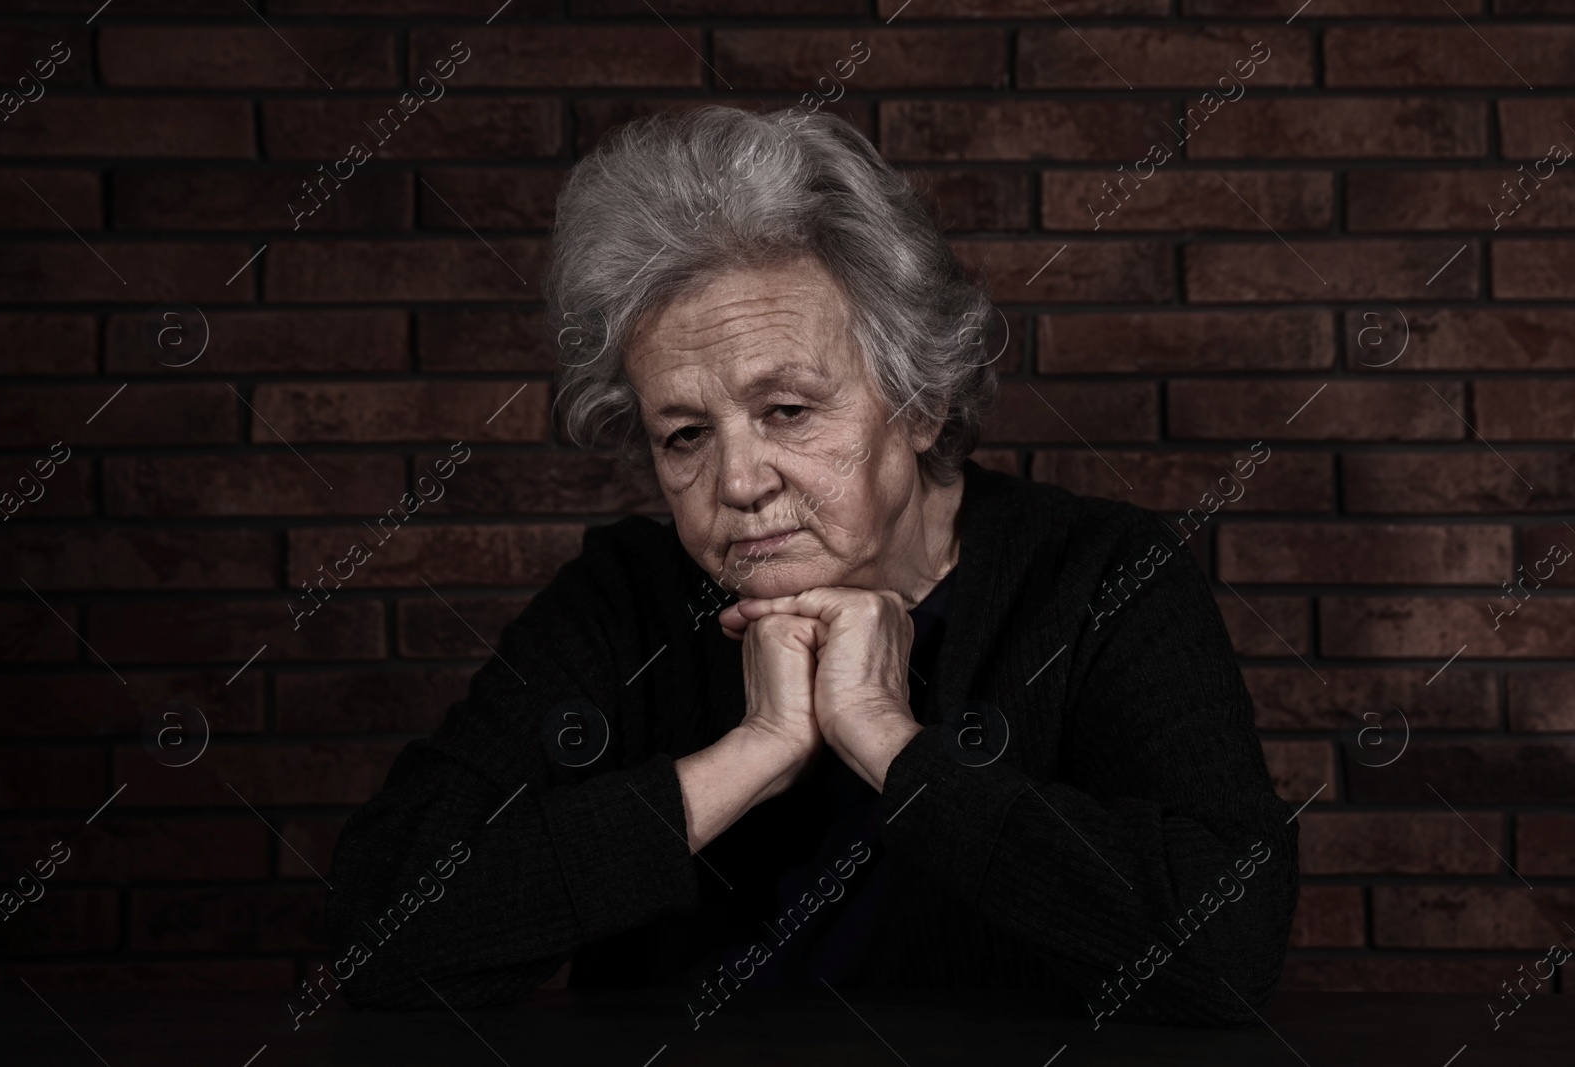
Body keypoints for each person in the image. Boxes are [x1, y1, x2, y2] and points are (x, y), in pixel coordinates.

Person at [322, 105, 1298, 1028]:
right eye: (685, 433)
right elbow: (364, 944)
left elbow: (1224, 953)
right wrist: (751, 753)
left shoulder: (1097, 580)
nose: (738, 480)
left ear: (917, 402)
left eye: (786, 409)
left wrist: (889, 741)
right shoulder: (623, 600)